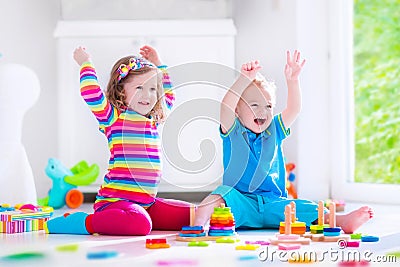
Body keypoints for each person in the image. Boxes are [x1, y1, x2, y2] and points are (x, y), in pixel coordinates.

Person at [194, 50, 373, 234]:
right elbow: (226, 106)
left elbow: (294, 108)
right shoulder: (233, 131)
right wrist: (243, 79)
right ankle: (198, 223)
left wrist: (293, 80)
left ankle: (341, 221)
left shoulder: (275, 129)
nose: (263, 111)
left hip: (275, 204)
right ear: (238, 111)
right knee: (221, 194)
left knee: (307, 207)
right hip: (241, 203)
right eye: (254, 105)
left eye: (268, 106)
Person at [46, 45, 193, 235]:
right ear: (122, 90)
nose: (147, 95)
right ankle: (85, 222)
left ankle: (140, 217)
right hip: (114, 204)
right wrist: (85, 63)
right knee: (140, 224)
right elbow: (91, 93)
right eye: (139, 87)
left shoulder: (154, 120)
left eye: (152, 89)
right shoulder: (114, 118)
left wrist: (159, 64)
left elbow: (169, 95)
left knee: (191, 215)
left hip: (146, 204)